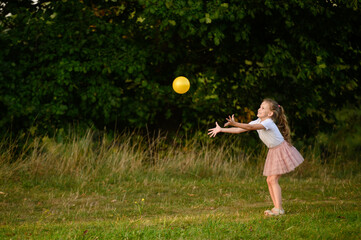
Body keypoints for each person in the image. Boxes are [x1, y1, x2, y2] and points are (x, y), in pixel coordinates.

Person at [208, 98, 304, 216]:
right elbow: (239, 130)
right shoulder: (258, 120)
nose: (259, 109)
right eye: (260, 106)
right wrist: (221, 129)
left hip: (281, 150)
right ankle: (276, 208)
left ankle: (279, 209)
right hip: (273, 151)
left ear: (270, 113)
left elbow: (250, 128)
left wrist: (235, 122)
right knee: (269, 180)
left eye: (263, 108)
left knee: (273, 179)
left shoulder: (268, 122)